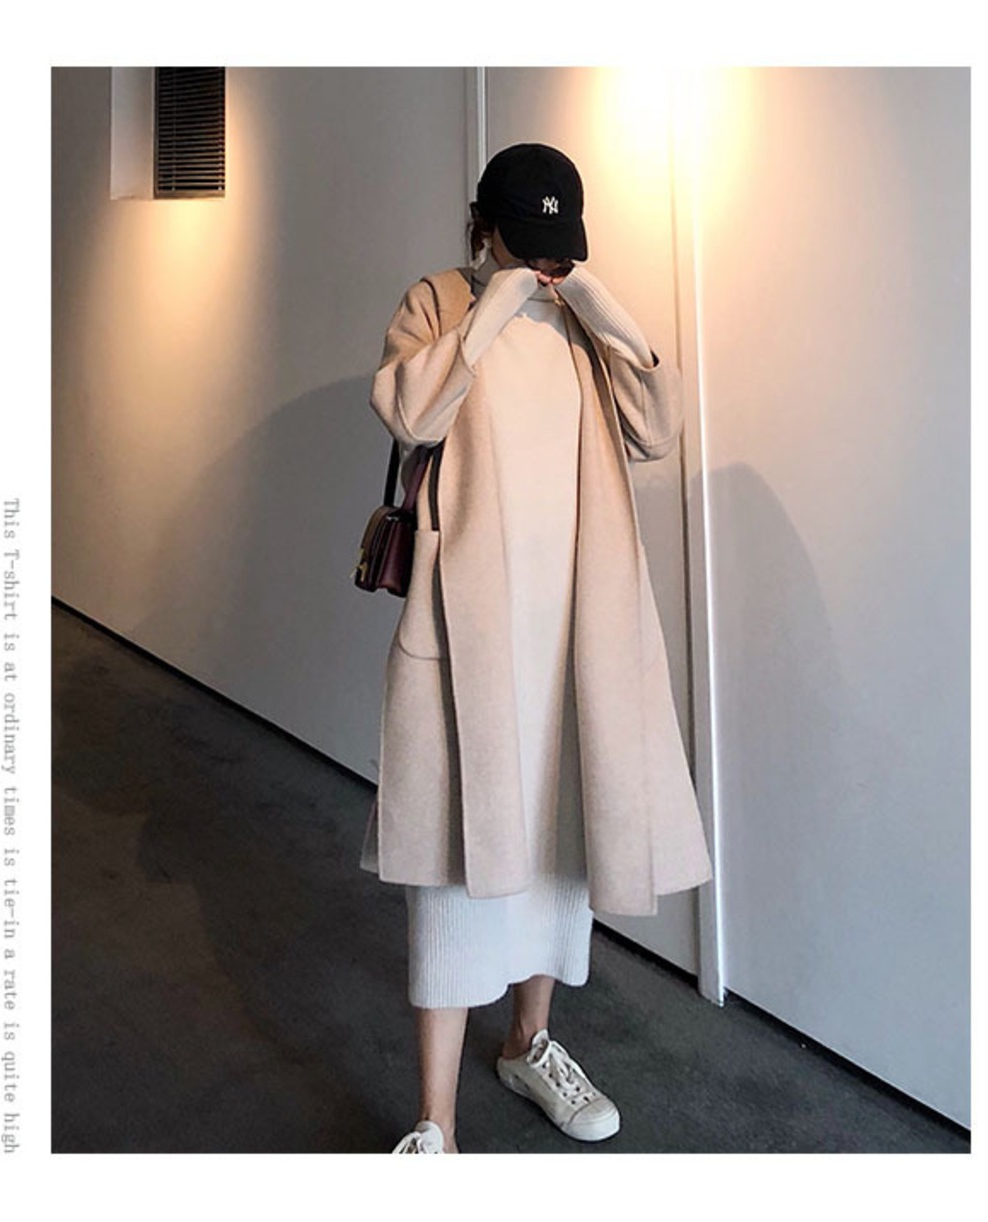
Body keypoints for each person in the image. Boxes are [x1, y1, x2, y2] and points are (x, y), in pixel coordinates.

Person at [360, 143, 714, 1155]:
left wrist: (600, 306)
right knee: (453, 867)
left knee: (559, 838)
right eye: (529, 244)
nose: (547, 263)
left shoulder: (580, 319)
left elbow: (657, 427)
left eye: (562, 248)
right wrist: (492, 307)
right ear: (485, 229)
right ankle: (434, 1123)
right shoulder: (435, 302)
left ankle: (529, 1042)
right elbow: (409, 409)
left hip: (574, 626)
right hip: (472, 628)